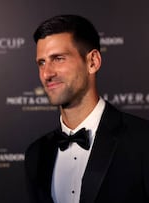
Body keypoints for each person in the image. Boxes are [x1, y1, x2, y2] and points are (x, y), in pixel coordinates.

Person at [25, 14, 149, 203]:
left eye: (58, 58)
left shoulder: (142, 140)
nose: (47, 73)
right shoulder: (36, 154)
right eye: (41, 62)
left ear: (93, 62)